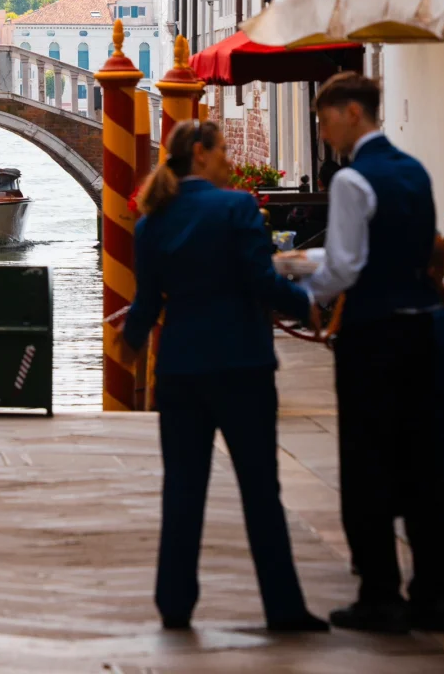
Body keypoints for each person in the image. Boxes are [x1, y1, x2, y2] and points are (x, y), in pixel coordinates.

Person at [121, 119, 327, 634]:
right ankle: (282, 608)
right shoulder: (235, 206)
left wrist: (131, 342)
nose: (230, 161)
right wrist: (308, 306)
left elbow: (146, 302)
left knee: (183, 490)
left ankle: (175, 603)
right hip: (242, 366)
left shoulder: (152, 220)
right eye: (223, 152)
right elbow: (261, 280)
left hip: (182, 370)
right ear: (201, 155)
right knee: (260, 490)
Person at [303, 71, 444, 633]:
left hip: (372, 336)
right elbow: (426, 247)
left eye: (323, 119)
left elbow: (342, 266)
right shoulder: (413, 170)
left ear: (350, 113)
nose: (322, 131)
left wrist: (303, 298)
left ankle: (380, 593)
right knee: (421, 462)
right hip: (421, 331)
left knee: (367, 464)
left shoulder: (352, 181)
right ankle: (435, 594)